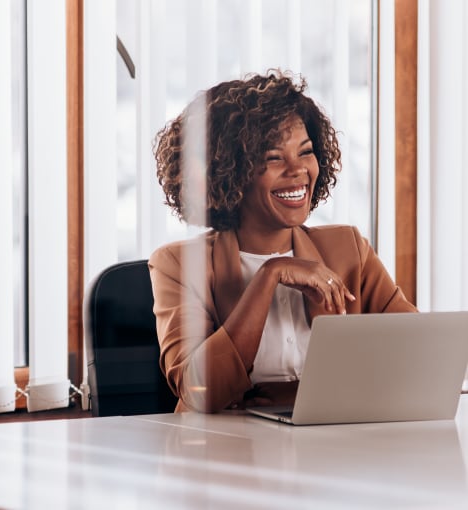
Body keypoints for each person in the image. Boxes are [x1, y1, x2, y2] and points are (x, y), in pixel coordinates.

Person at [148, 70, 417, 414]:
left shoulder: (348, 249)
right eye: (274, 158)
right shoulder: (178, 264)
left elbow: (415, 356)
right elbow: (199, 390)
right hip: (222, 453)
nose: (298, 170)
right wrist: (271, 274)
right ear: (228, 173)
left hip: (336, 449)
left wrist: (296, 396)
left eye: (305, 152)